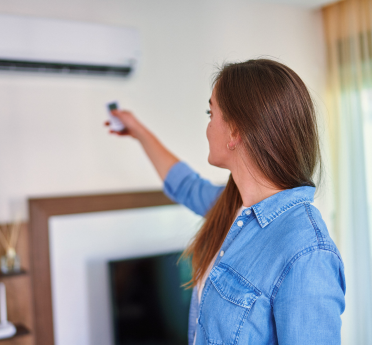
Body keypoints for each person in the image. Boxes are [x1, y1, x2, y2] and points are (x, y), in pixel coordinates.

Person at [105, 59, 345, 345]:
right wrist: (139, 132)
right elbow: (185, 185)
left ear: (234, 132)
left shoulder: (307, 252)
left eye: (211, 113)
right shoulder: (232, 206)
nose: (207, 127)